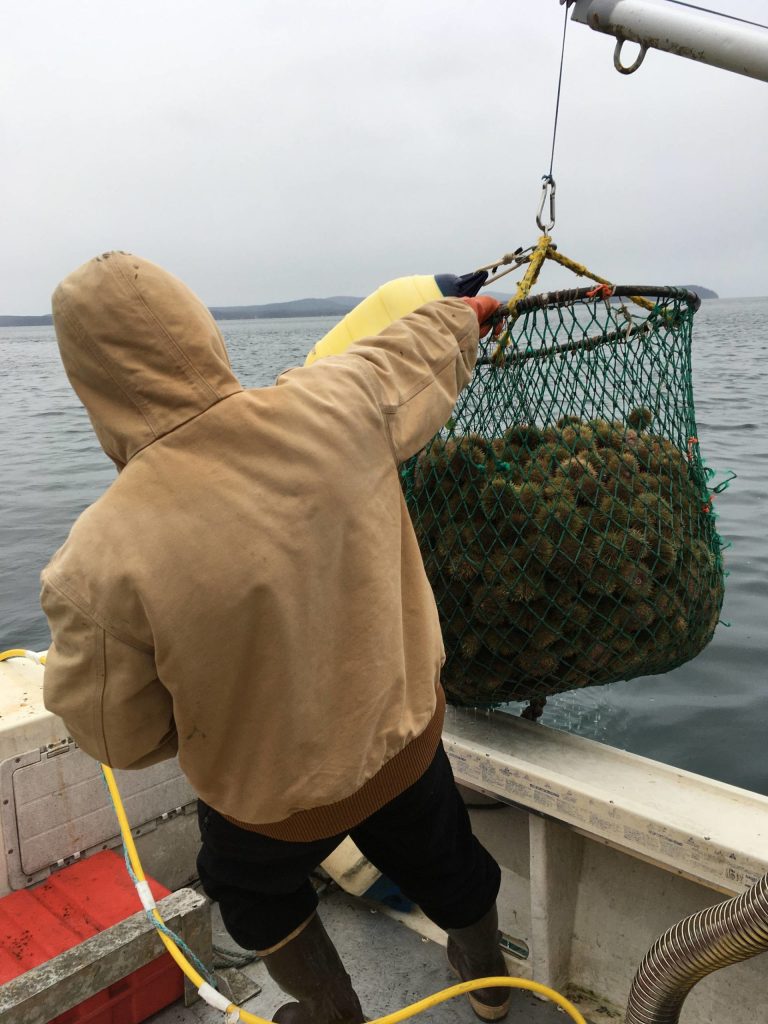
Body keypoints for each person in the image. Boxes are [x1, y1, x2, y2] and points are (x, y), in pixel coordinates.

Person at [41, 251, 508, 1024]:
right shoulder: (339, 401)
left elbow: (120, 737)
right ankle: (490, 982)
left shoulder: (94, 562)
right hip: (404, 744)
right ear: (201, 331)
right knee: (447, 857)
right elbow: (416, 353)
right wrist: (466, 315)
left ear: (88, 383)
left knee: (249, 891)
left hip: (270, 805)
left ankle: (332, 1013)